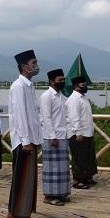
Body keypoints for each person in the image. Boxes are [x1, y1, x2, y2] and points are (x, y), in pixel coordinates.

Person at [3, 50, 43, 218]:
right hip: (23, 140)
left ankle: (24, 213)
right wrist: (26, 140)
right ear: (24, 66)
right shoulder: (18, 86)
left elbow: (33, 114)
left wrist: (36, 138)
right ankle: (12, 215)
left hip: (31, 138)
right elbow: (19, 115)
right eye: (33, 63)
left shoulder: (29, 85)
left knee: (30, 179)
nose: (36, 66)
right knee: (20, 178)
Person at [40, 69, 71, 206]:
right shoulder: (47, 96)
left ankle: (60, 194)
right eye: (60, 80)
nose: (62, 82)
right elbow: (46, 117)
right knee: (52, 168)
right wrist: (52, 136)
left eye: (63, 80)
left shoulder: (59, 96)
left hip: (62, 135)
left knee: (62, 168)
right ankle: (49, 196)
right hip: (51, 137)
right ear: (51, 81)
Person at [66, 76, 98, 190]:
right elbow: (74, 117)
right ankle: (77, 180)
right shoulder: (73, 99)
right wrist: (78, 132)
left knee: (88, 156)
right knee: (79, 157)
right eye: (83, 85)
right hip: (78, 134)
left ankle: (86, 177)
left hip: (87, 132)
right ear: (76, 86)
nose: (85, 87)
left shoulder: (83, 98)